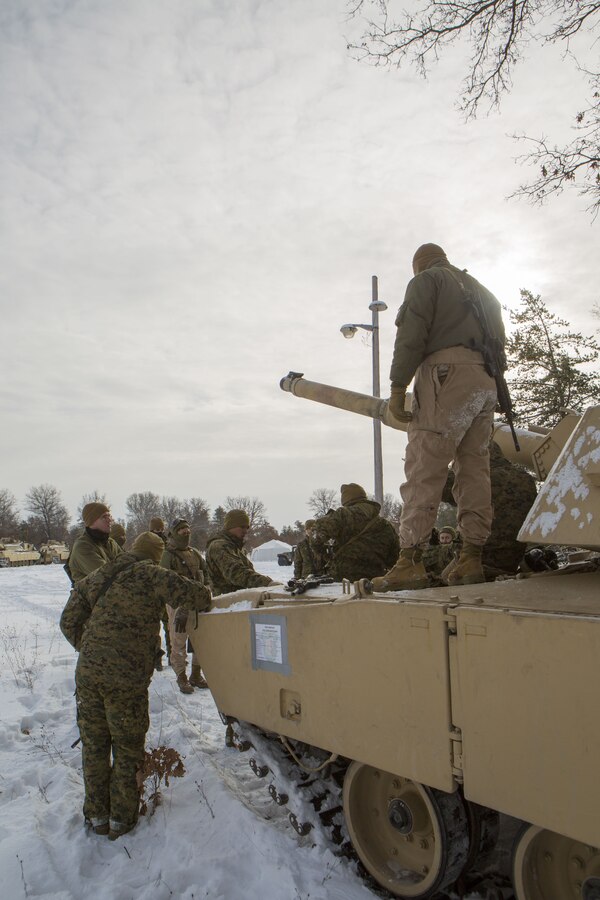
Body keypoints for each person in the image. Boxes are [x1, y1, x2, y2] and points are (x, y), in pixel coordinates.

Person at [60, 532, 211, 840]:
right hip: (125, 678)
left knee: (95, 747)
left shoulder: (101, 573)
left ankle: (97, 816)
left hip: (88, 674)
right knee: (127, 748)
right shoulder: (151, 573)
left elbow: (68, 621)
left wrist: (91, 649)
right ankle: (121, 820)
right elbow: (199, 596)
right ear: (155, 556)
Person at [372, 242, 505, 592]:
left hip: (445, 374)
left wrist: (398, 386)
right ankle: (470, 557)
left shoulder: (427, 281)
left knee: (425, 464)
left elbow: (411, 334)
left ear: (419, 265)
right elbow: (500, 344)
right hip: (486, 380)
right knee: (475, 468)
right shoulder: (482, 290)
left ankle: (410, 561)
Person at [442, 441, 538, 579]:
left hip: (478, 559)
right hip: (511, 560)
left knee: (442, 579)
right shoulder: (526, 479)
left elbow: (439, 483)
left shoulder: (480, 479)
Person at [161, 518, 211, 693]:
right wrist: (181, 605)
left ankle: (196, 675)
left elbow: (206, 573)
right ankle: (181, 676)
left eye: (188, 529)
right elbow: (166, 583)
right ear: (174, 532)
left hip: (198, 604)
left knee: (201, 640)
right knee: (178, 640)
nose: (186, 532)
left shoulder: (194, 553)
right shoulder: (167, 555)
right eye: (182, 530)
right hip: (178, 606)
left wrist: (206, 592)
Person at [312, 483, 399, 583]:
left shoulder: (342, 515)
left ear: (345, 500)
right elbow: (394, 557)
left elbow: (316, 536)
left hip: (343, 581)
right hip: (373, 582)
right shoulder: (385, 525)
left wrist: (326, 556)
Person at [205, 509, 275, 595]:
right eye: (242, 527)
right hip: (227, 603)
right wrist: (267, 583)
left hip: (240, 601)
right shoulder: (219, 546)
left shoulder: (236, 547)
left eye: (247, 527)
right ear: (231, 526)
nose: (245, 531)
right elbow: (236, 573)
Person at [68, 502, 122, 584]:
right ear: (91, 522)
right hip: (91, 595)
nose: (110, 519)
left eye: (109, 516)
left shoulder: (111, 543)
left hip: (112, 593)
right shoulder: (83, 547)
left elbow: (128, 563)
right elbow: (107, 573)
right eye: (104, 517)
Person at [149, 516, 171, 668]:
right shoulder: (148, 543)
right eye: (156, 529)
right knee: (154, 627)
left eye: (160, 529)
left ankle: (171, 655)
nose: (159, 531)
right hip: (153, 589)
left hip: (166, 588)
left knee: (169, 625)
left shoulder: (168, 544)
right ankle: (157, 658)